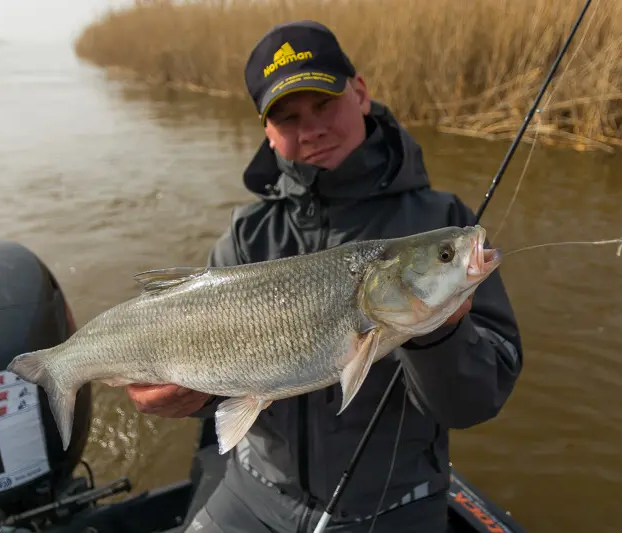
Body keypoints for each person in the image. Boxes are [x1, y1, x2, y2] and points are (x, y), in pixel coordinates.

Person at [125, 20, 523, 533]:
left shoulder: (439, 224)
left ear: (360, 93)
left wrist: (441, 332)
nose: (310, 129)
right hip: (254, 491)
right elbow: (219, 379)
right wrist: (192, 398)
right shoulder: (246, 236)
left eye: (323, 104)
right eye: (287, 117)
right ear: (267, 133)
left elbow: (476, 402)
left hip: (392, 506)